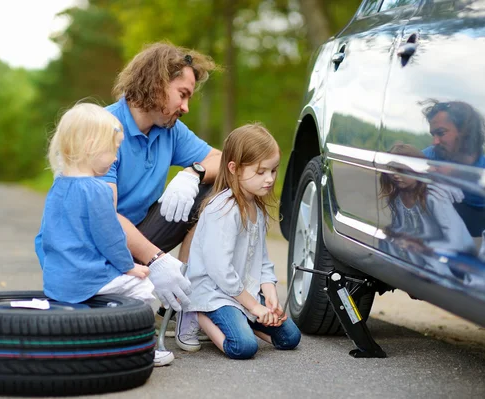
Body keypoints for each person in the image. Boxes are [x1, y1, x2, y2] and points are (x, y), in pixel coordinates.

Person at [34, 102, 175, 367]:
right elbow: (110, 238)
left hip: (58, 281)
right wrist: (128, 266)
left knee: (109, 287)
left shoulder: (57, 186)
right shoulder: (97, 190)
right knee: (143, 287)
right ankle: (140, 346)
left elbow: (44, 237)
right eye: (113, 150)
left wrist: (54, 269)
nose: (114, 158)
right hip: (89, 278)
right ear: (90, 147)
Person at [102, 42, 222, 348]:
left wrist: (192, 173)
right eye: (182, 95)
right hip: (100, 246)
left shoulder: (169, 129)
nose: (185, 108)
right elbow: (103, 215)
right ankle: (138, 285)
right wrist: (156, 259)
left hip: (139, 237)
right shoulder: (104, 129)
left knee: (212, 189)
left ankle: (183, 300)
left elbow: (224, 160)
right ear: (157, 84)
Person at [184, 123, 301, 359]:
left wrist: (269, 295)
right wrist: (254, 306)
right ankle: (196, 314)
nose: (269, 179)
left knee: (290, 338)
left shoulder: (255, 207)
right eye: (261, 172)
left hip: (241, 291)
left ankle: (242, 320)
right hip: (214, 292)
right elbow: (220, 271)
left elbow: (263, 260)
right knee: (243, 347)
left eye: (273, 171)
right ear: (234, 169)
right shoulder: (224, 209)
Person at [379, 143, 475, 276]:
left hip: (445, 251)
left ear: (417, 169)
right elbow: (401, 228)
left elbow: (456, 237)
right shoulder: (397, 198)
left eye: (401, 170)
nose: (395, 175)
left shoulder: (433, 197)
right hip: (417, 250)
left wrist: (424, 246)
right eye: (392, 170)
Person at [421, 100, 485, 237]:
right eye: (433, 135)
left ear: (466, 132)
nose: (434, 141)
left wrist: (455, 174)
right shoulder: (431, 156)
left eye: (441, 133)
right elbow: (396, 168)